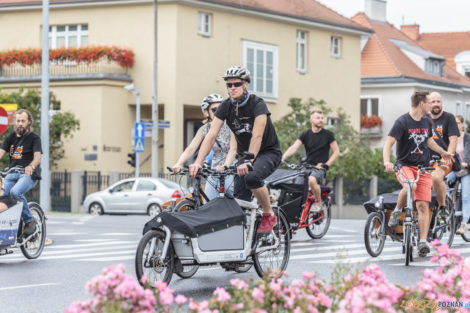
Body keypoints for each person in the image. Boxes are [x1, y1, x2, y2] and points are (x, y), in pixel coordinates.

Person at [189, 66, 282, 233]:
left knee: (252, 177)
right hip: (244, 155)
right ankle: (243, 248)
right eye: (229, 85)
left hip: (267, 152)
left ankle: (269, 214)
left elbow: (257, 136)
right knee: (239, 201)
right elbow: (211, 135)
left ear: (246, 84)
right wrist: (198, 162)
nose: (232, 88)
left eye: (236, 84)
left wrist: (248, 160)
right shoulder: (226, 106)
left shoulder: (258, 104)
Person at [383, 91, 453, 257]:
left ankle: (422, 241)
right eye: (429, 103)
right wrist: (387, 161)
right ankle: (397, 211)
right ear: (422, 104)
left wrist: (443, 152)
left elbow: (428, 141)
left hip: (423, 168)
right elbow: (389, 143)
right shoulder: (402, 121)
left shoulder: (427, 121)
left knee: (423, 206)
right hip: (404, 166)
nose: (431, 106)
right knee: (410, 186)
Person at [173, 94, 237, 200]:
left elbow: (233, 150)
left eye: (221, 109)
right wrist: (179, 163)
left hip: (232, 168)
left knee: (231, 199)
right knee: (208, 203)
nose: (219, 112)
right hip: (215, 170)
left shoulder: (231, 125)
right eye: (215, 110)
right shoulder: (205, 129)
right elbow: (191, 148)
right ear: (206, 112)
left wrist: (226, 166)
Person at [281, 109, 340, 211]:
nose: (321, 120)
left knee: (312, 180)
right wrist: (283, 157)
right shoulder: (305, 134)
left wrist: (327, 165)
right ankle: (295, 211)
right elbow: (293, 148)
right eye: (318, 118)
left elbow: (336, 152)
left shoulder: (328, 134)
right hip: (306, 166)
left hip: (319, 167)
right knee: (295, 187)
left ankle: (318, 203)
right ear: (311, 120)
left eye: (322, 118)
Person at [0, 109, 42, 236]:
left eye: (23, 121)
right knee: (3, 196)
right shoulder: (10, 137)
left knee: (15, 192)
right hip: (11, 173)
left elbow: (37, 158)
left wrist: (31, 166)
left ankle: (30, 221)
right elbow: (1, 152)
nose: (20, 124)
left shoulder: (34, 138)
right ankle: (11, 226)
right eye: (18, 121)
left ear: (29, 122)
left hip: (28, 174)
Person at [429, 92, 459, 216]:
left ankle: (442, 208)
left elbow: (453, 139)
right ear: (427, 104)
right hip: (426, 160)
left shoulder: (449, 118)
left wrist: (448, 156)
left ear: (442, 103)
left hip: (444, 160)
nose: (436, 104)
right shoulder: (424, 119)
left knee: (436, 177)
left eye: (438, 101)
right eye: (433, 102)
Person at [446, 115, 470, 235]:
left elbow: (467, 153)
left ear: (462, 124)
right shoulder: (451, 138)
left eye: (458, 123)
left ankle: (464, 223)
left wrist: (466, 163)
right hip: (455, 170)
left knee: (466, 196)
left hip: (466, 171)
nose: (456, 125)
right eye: (453, 123)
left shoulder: (467, 137)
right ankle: (449, 205)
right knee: (442, 182)